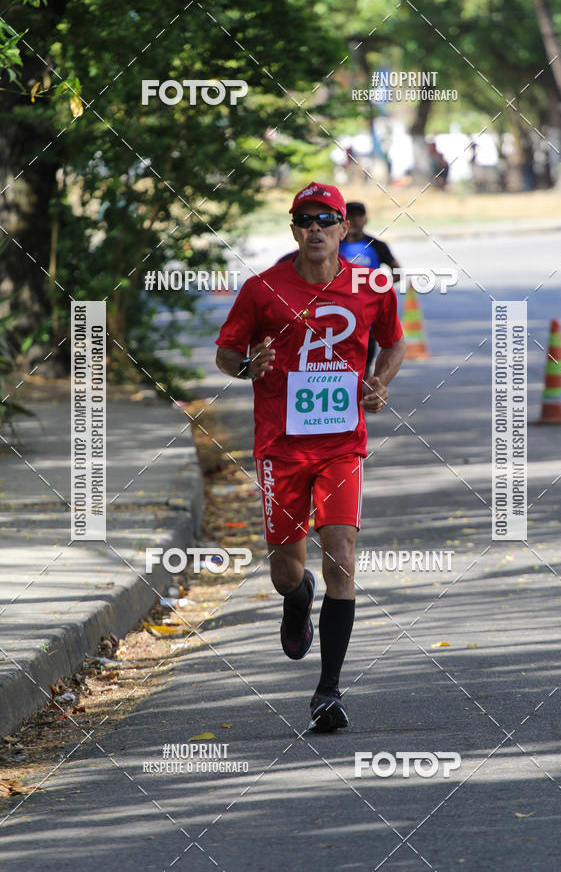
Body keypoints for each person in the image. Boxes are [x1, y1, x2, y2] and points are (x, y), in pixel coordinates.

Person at [215, 182, 406, 732]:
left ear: (345, 228)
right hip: (280, 446)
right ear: (294, 229)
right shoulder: (262, 290)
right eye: (305, 219)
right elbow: (227, 354)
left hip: (342, 442)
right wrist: (250, 364)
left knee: (341, 553)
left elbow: (394, 344)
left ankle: (329, 691)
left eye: (327, 219)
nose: (316, 228)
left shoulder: (372, 285)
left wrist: (380, 381)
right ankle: (297, 599)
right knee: (285, 571)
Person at [338, 201, 401, 377]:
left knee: (363, 370)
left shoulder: (377, 245)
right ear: (344, 220)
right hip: (337, 314)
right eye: (351, 216)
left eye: (359, 215)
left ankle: (362, 402)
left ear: (365, 219)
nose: (356, 219)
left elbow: (397, 272)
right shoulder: (333, 245)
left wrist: (377, 290)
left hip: (366, 318)